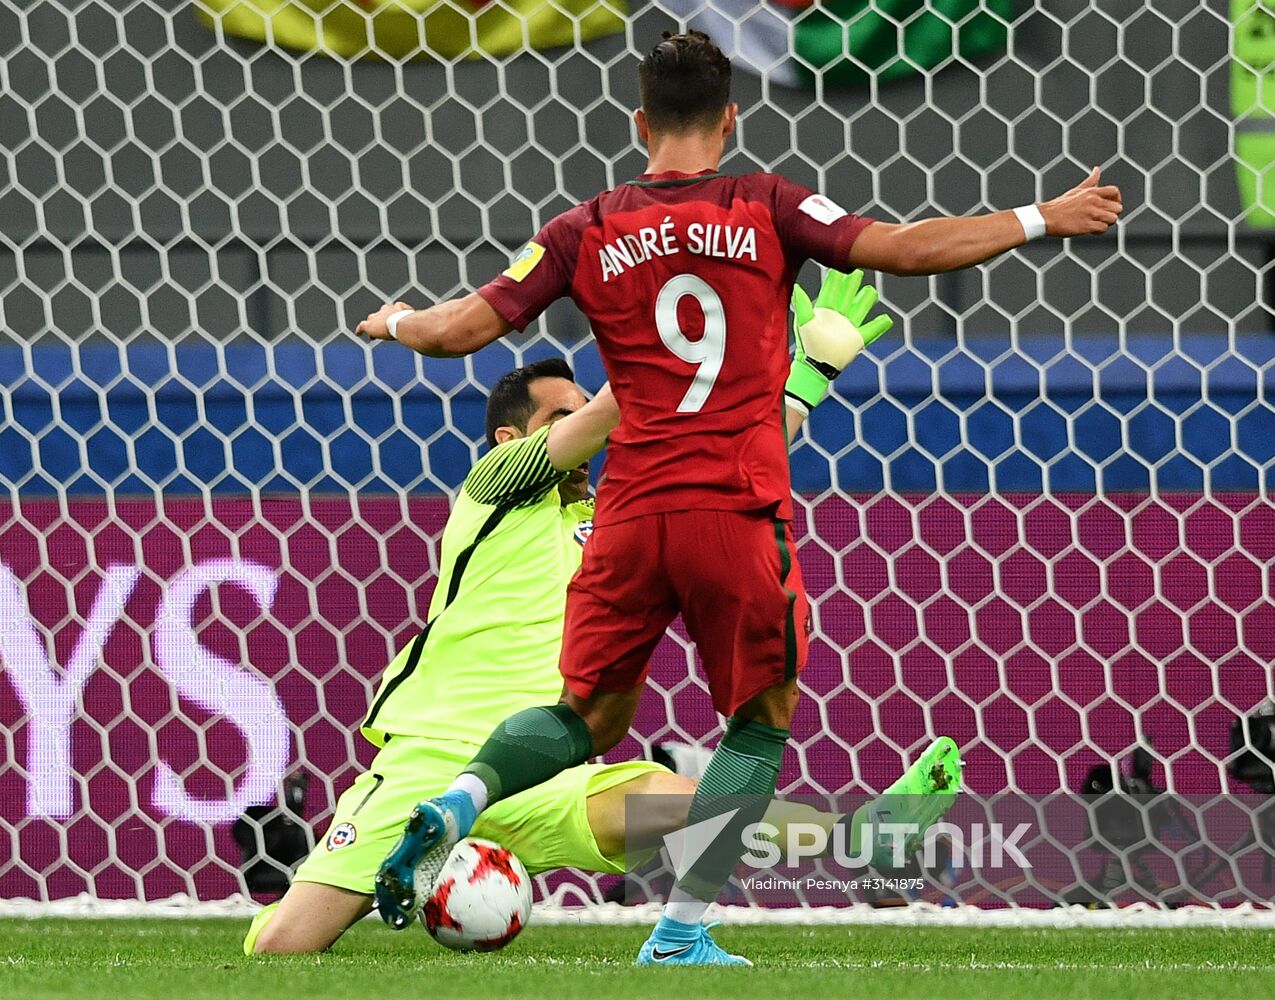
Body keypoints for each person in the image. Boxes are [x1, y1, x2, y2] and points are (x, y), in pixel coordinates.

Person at [354, 29, 1117, 966]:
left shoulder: (580, 228)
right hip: (734, 511)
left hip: (629, 512)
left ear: (639, 122)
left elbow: (456, 331)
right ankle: (680, 933)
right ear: (730, 119)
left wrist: (393, 321)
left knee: (582, 718)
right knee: (757, 723)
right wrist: (1043, 216)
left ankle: (457, 801)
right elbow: (904, 249)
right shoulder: (767, 204)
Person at [249, 272, 959, 955]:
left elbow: (736, 460)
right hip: (433, 760)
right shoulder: (493, 488)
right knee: (286, 946)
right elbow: (611, 411)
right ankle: (387, 864)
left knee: (677, 799)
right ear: (512, 440)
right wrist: (717, 319)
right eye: (560, 416)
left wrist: (810, 375)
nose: (584, 425)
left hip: (540, 768)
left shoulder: (614, 515)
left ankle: (864, 842)